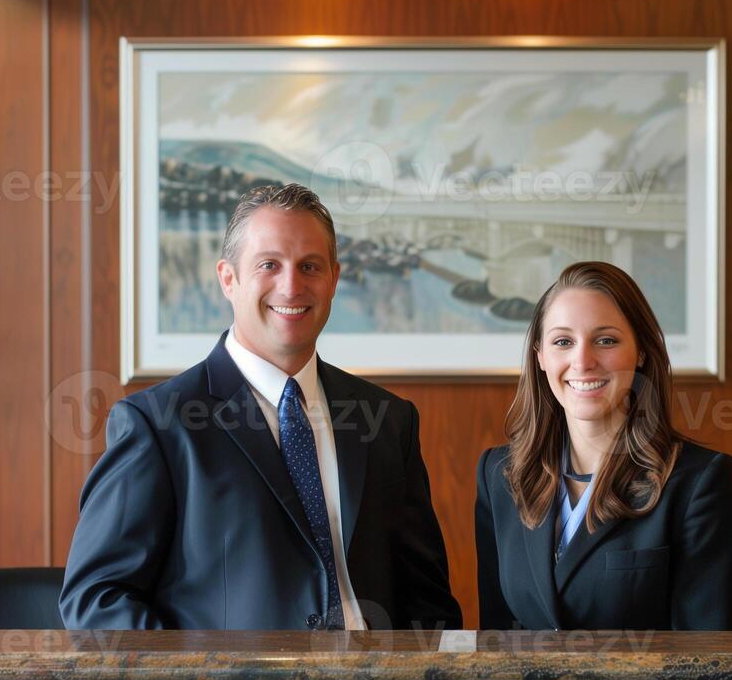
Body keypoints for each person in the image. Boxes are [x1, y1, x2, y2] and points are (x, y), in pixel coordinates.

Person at [61, 184, 461, 631]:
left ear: (333, 278)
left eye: (309, 266)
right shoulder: (159, 424)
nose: (291, 285)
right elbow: (96, 600)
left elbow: (429, 604)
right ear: (228, 278)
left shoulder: (388, 421)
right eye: (269, 264)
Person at [475, 261, 732, 630]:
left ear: (641, 352)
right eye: (563, 342)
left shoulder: (700, 483)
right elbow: (497, 641)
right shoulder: (499, 475)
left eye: (606, 340)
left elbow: (702, 659)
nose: (583, 361)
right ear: (540, 356)